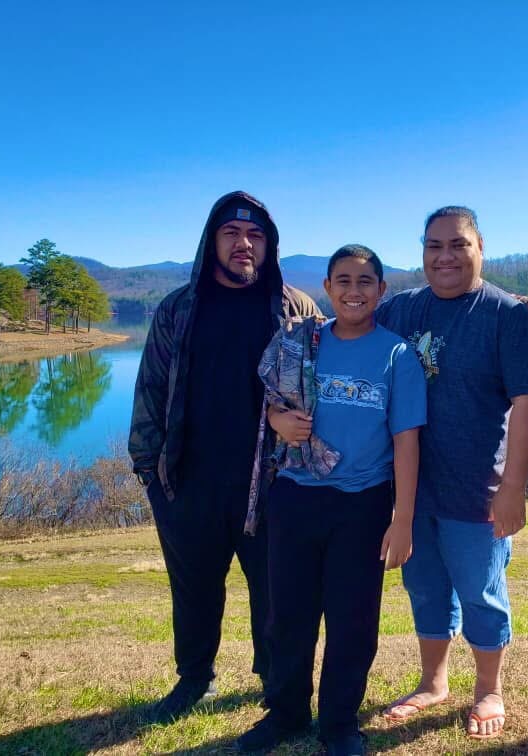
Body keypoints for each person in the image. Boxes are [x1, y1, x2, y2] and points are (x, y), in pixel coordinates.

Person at [128, 191, 320, 724]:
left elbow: (322, 387)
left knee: (276, 591)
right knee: (192, 588)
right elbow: (151, 386)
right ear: (212, 240)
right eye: (232, 234)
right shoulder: (178, 308)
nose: (244, 244)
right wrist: (148, 468)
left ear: (269, 244)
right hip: (188, 478)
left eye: (255, 235)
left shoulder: (295, 308)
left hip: (273, 480)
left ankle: (274, 680)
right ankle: (194, 678)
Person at [236, 245, 426, 756]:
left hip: (362, 505)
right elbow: (269, 397)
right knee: (287, 615)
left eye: (365, 282)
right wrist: (277, 420)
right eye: (343, 280)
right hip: (295, 496)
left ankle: (340, 724)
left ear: (382, 291)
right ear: (327, 286)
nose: (354, 291)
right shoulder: (301, 342)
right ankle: (286, 713)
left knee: (353, 621)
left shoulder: (397, 355)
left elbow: (407, 441)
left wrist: (402, 519)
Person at [377, 206, 528, 740]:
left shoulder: (505, 316)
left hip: (479, 490)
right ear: (422, 252)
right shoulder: (400, 310)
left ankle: (488, 689)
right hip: (410, 491)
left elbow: (527, 404)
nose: (445, 256)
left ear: (480, 248)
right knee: (424, 588)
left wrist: (514, 489)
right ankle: (433, 682)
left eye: (458, 245)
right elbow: (348, 342)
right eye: (434, 246)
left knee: (481, 592)